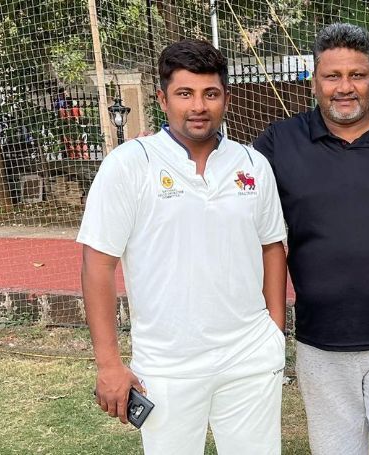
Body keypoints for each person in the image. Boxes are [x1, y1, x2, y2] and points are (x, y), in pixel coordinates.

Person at [78, 39, 287, 455]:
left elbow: (272, 247)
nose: (198, 106)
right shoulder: (129, 163)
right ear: (162, 98)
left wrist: (274, 332)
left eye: (210, 94)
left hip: (249, 358)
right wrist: (108, 364)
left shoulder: (252, 164)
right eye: (184, 93)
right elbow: (97, 266)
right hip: (167, 366)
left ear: (226, 97)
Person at [253, 23, 369, 455]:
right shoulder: (279, 143)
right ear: (314, 80)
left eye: (356, 75)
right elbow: (227, 187)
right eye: (332, 76)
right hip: (321, 343)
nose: (345, 87)